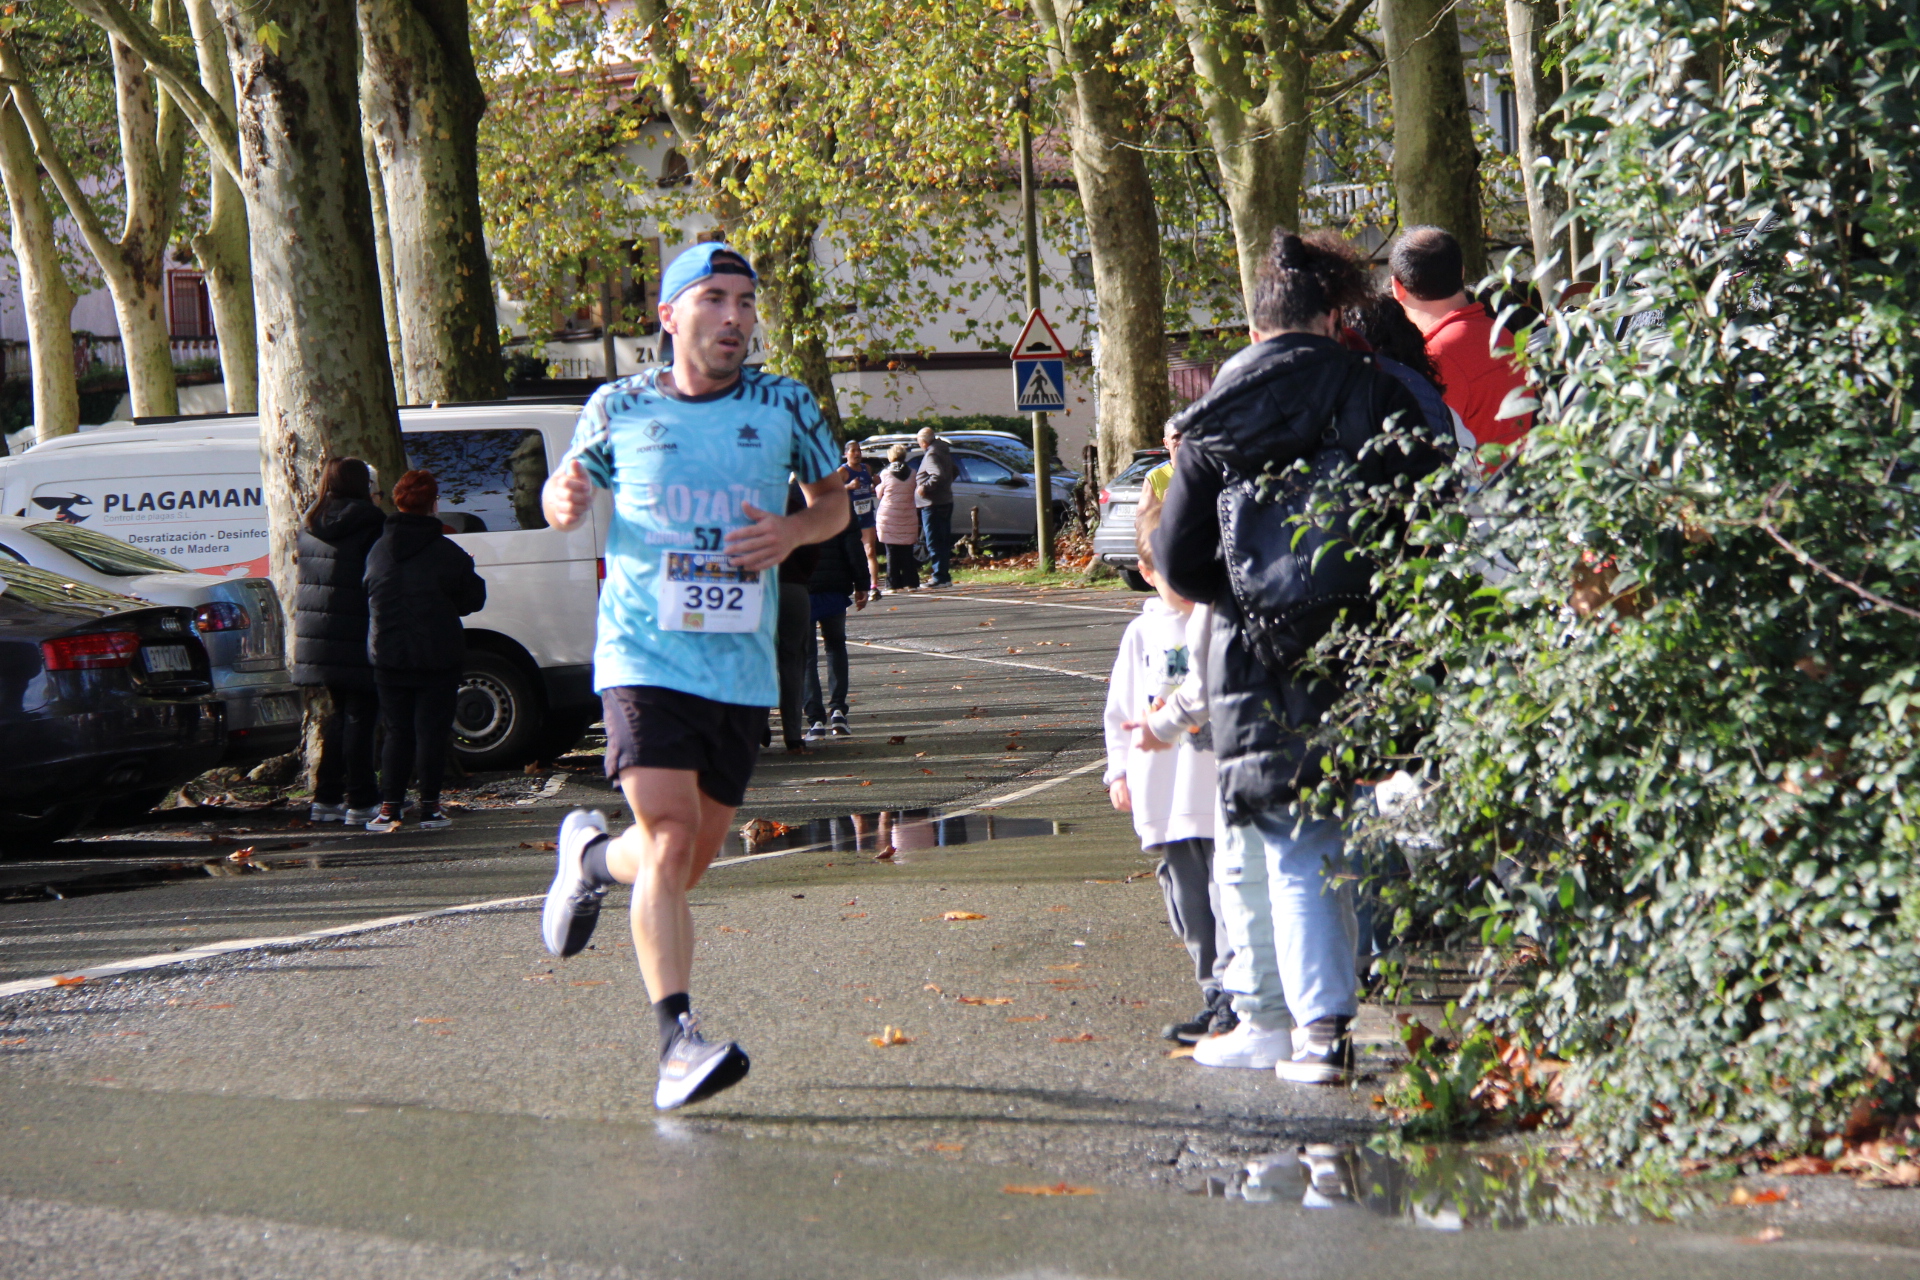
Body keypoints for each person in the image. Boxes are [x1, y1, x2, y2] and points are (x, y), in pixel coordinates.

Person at [536, 242, 847, 1111]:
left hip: (739, 666)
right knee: (670, 839)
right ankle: (676, 1043)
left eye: (746, 301)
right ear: (669, 316)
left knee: (683, 861)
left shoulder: (786, 403)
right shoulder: (619, 405)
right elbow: (566, 488)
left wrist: (793, 532)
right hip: (642, 653)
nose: (735, 318)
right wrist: (562, 500)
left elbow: (833, 501)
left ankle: (590, 860)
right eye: (714, 299)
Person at [1155, 229, 1447, 1084]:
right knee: (1331, 830)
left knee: (1286, 839)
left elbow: (1178, 562)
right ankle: (1294, 1016)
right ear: (1330, 319)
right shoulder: (1374, 390)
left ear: (1254, 328)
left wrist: (1248, 593)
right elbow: (1427, 517)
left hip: (1256, 654)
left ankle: (1316, 1030)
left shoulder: (1215, 416)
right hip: (1365, 645)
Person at [1103, 500, 1231, 1045]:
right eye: (1171, 570)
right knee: (1186, 898)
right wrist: (1118, 771)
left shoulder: (1219, 617)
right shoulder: (1142, 633)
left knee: (1228, 892)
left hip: (1215, 787)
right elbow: (1119, 709)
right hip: (1165, 791)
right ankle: (1213, 989)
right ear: (1147, 572)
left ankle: (1231, 995)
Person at [363, 468, 488, 832]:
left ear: (397, 502)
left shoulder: (378, 550)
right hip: (438, 653)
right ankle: (430, 807)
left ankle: (390, 807)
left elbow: (368, 592)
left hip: (388, 654)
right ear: (434, 504)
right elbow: (472, 600)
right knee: (432, 731)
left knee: (396, 731)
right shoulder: (447, 551)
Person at [292, 457, 386, 825]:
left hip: (320, 637)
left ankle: (326, 797)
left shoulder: (310, 522)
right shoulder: (372, 521)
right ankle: (362, 800)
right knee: (361, 717)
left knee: (338, 717)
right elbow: (379, 575)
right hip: (358, 630)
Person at [1388, 226, 1533, 457]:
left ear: (1397, 287)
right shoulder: (1501, 333)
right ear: (1462, 272)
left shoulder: (1434, 358)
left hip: (1477, 478)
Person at [802, 510, 871, 739]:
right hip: (834, 586)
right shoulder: (839, 504)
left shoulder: (790, 501)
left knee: (806, 655)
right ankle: (838, 710)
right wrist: (862, 583)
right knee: (836, 646)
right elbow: (853, 547)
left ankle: (814, 719)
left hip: (803, 587)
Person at [776, 482, 822, 754]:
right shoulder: (791, 508)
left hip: (752, 589)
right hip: (791, 586)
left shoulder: (736, 507)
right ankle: (792, 734)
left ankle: (754, 722)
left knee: (752, 658)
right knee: (793, 661)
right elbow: (811, 549)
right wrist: (799, 577)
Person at [838, 439, 884, 598]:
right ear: (846, 454)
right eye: (853, 451)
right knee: (849, 553)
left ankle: (874, 587)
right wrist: (849, 487)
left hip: (866, 515)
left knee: (870, 550)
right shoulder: (842, 471)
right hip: (849, 518)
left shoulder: (866, 468)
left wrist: (876, 484)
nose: (857, 454)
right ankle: (848, 583)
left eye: (859, 450)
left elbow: (871, 487)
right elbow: (832, 491)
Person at [874, 443, 921, 592]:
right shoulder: (913, 473)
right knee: (907, 550)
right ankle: (911, 582)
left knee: (891, 551)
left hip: (889, 515)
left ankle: (893, 584)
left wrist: (876, 486)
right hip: (907, 514)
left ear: (891, 456)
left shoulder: (885, 473)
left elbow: (879, 494)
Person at [913, 425, 955, 587]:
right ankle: (944, 575)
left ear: (924, 442)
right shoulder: (943, 450)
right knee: (943, 540)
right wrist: (945, 486)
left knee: (934, 541)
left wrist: (925, 487)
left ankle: (939, 576)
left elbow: (937, 474)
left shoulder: (931, 454)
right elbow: (954, 471)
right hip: (945, 500)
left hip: (932, 504)